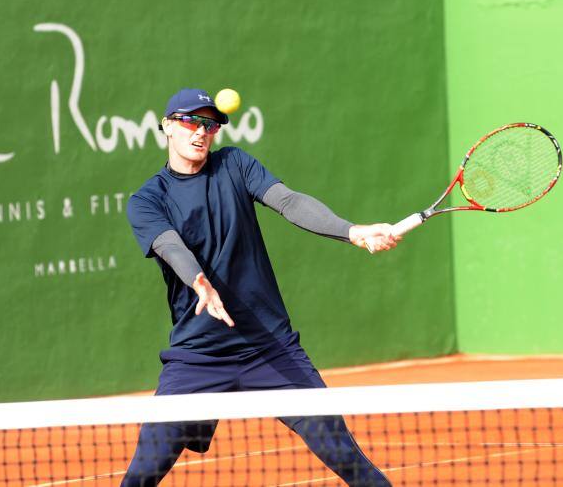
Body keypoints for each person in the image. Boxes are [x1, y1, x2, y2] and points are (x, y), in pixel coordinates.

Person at [123, 88, 397, 486]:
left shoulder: (235, 164)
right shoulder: (148, 199)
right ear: (166, 126)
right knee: (142, 473)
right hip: (198, 357)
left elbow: (289, 201)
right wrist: (199, 281)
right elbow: (170, 245)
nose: (200, 132)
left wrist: (351, 231)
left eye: (209, 124)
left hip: (270, 348)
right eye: (190, 121)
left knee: (345, 456)